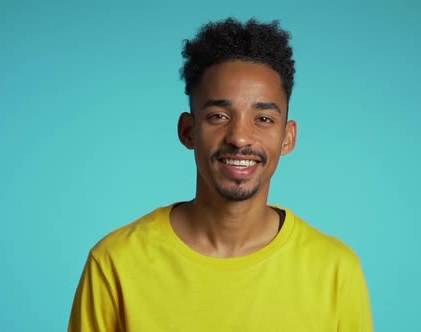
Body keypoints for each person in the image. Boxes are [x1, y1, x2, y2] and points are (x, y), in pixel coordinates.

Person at [68, 17, 373, 332]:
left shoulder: (336, 271)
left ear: (288, 137)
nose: (239, 137)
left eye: (264, 118)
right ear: (188, 131)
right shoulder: (115, 263)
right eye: (218, 116)